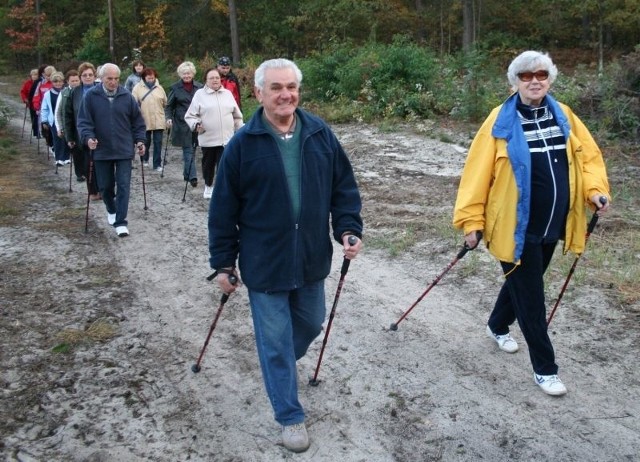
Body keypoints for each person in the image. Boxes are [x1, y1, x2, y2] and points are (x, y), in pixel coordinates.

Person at [208, 58, 363, 453]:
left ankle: (275, 365)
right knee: (276, 343)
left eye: (291, 86)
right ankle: (289, 414)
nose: (285, 94)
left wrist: (347, 228)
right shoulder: (243, 144)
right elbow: (223, 209)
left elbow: (343, 187)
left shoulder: (319, 133)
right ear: (258, 93)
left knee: (310, 323)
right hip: (265, 262)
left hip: (311, 257)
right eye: (276, 87)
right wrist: (224, 262)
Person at [453, 50, 611, 397]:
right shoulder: (500, 121)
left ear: (550, 78)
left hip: (553, 225)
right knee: (532, 297)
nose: (534, 80)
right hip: (513, 227)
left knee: (525, 283)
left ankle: (497, 325)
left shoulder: (564, 115)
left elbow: (589, 159)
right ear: (515, 82)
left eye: (541, 74)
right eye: (526, 76)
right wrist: (471, 221)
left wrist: (596, 191)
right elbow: (476, 175)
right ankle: (545, 368)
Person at [77, 63, 147, 237]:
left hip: (124, 149)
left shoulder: (127, 96)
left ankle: (121, 221)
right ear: (101, 78)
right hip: (101, 149)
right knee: (106, 187)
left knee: (124, 185)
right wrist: (88, 138)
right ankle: (111, 208)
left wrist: (140, 140)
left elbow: (137, 122)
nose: (113, 82)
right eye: (110, 79)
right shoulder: (91, 96)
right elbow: (84, 122)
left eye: (116, 79)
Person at [184, 67, 243, 198]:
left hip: (227, 138)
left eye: (217, 78)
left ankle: (223, 188)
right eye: (211, 78)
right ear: (206, 80)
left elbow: (237, 116)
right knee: (208, 164)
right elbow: (190, 116)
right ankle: (208, 186)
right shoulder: (200, 94)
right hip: (208, 138)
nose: (215, 80)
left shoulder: (227, 94)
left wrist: (241, 130)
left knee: (224, 165)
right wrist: (196, 124)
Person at [64, 62, 101, 198]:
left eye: (90, 75)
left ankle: (103, 189)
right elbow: (68, 116)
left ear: (94, 76)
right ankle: (93, 191)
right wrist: (70, 137)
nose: (88, 77)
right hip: (81, 134)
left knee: (102, 163)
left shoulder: (101, 89)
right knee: (87, 164)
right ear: (80, 77)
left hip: (101, 133)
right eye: (84, 75)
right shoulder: (75, 92)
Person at [165, 61, 203, 187]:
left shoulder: (200, 87)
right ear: (180, 75)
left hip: (197, 121)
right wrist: (168, 118)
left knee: (194, 148)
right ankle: (193, 177)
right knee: (188, 149)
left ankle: (187, 173)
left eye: (189, 73)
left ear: (193, 74)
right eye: (184, 74)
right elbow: (169, 106)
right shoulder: (175, 88)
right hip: (182, 122)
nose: (186, 76)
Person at [132, 67, 167, 171]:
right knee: (145, 141)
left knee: (158, 142)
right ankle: (145, 159)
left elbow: (165, 102)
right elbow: (133, 103)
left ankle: (157, 164)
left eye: (152, 78)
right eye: (149, 78)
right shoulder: (137, 88)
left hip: (158, 119)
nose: (151, 80)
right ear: (144, 78)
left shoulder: (160, 88)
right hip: (144, 119)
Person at [55, 69, 84, 180]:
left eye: (77, 80)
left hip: (81, 126)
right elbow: (58, 112)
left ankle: (86, 172)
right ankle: (79, 174)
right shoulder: (64, 93)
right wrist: (60, 128)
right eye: (72, 81)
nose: (75, 83)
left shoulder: (83, 92)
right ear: (67, 81)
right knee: (76, 151)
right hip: (70, 126)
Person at [40, 71, 70, 166]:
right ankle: (59, 158)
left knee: (66, 138)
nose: (58, 84)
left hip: (66, 119)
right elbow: (44, 108)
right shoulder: (48, 94)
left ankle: (66, 157)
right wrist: (44, 120)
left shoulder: (67, 92)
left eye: (60, 81)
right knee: (57, 139)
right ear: (52, 83)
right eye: (55, 82)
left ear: (63, 82)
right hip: (53, 120)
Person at [20, 69, 39, 137]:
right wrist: (25, 99)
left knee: (38, 117)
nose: (34, 76)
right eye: (33, 75)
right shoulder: (27, 83)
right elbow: (23, 92)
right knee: (33, 117)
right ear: (31, 76)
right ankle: (35, 132)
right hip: (31, 103)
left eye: (36, 75)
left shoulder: (40, 82)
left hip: (38, 103)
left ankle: (39, 131)